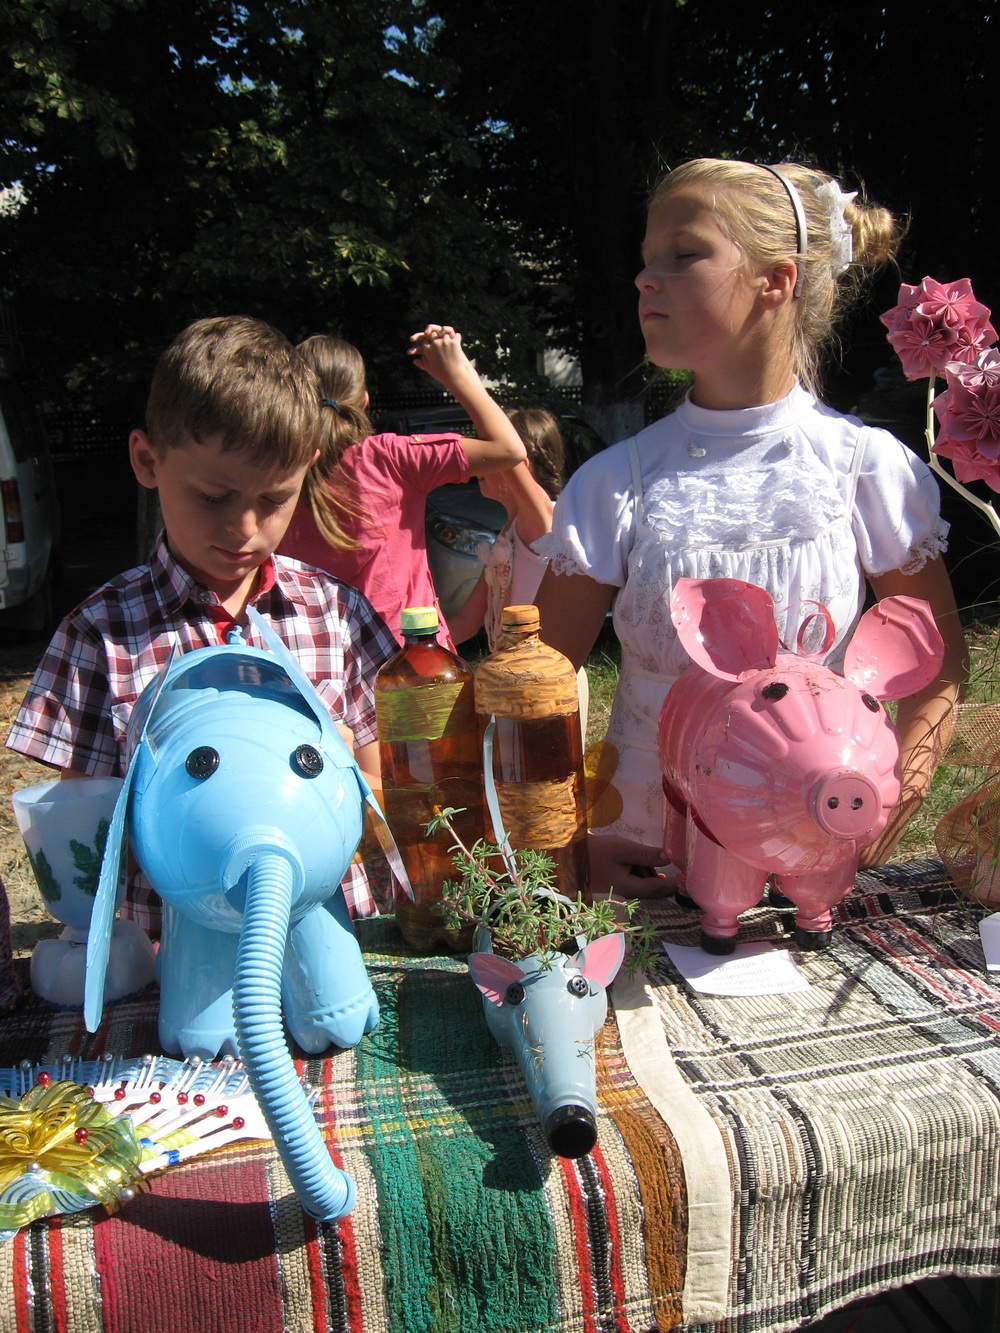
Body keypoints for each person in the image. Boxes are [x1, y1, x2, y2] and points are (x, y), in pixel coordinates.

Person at [534, 158, 968, 896]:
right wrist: (563, 844)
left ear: (778, 280)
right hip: (643, 857)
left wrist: (883, 804)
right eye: (645, 262)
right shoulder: (616, 485)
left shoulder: (863, 469)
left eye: (685, 253)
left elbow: (938, 665)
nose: (646, 280)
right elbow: (529, 689)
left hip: (818, 861)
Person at [7, 315, 400, 930]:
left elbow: (391, 796)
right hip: (169, 954)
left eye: (274, 499)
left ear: (308, 471)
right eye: (213, 497)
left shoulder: (339, 613)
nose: (244, 529)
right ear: (146, 459)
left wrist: (346, 770)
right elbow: (89, 835)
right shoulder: (100, 635)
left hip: (328, 934)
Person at [278, 325, 526, 651]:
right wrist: (457, 374)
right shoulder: (391, 459)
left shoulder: (276, 473)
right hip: (410, 664)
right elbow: (509, 449)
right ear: (364, 401)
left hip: (313, 663)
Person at [447, 407, 565, 652]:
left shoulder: (543, 523)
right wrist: (406, 652)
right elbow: (467, 622)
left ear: (521, 465)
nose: (478, 461)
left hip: (548, 681)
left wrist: (459, 380)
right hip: (517, 675)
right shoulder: (508, 533)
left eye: (489, 454)